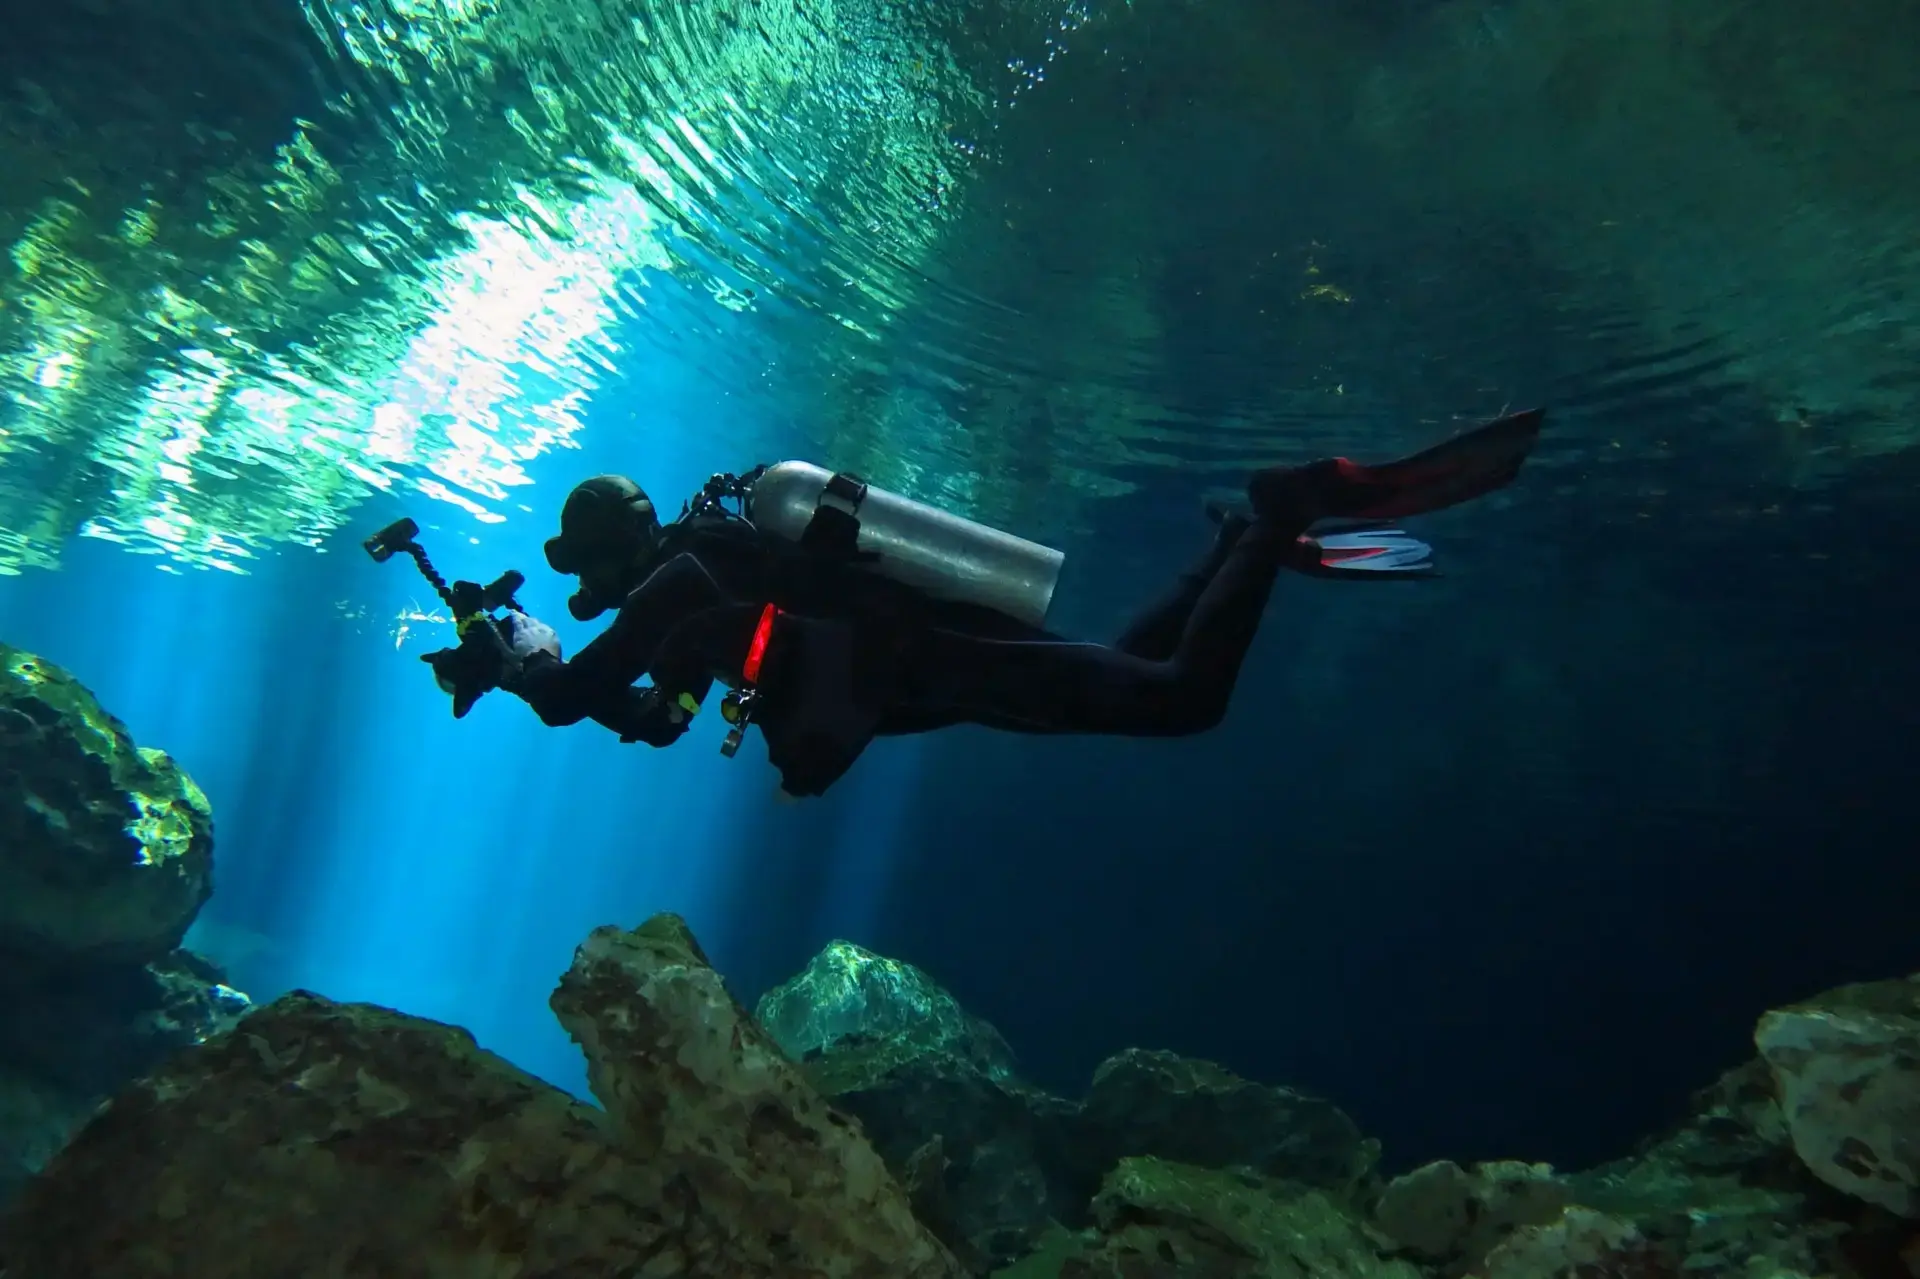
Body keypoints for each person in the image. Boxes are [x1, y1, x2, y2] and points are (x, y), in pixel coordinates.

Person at [422, 408, 1545, 797]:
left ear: (615, 545)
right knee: (1120, 670)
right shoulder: (706, 566)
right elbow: (657, 716)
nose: (580, 587)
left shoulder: (678, 576)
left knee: (1180, 699)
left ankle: (1275, 511)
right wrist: (531, 654)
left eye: (581, 566)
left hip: (918, 661)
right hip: (928, 655)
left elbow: (576, 696)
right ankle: (1231, 548)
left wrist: (502, 646)